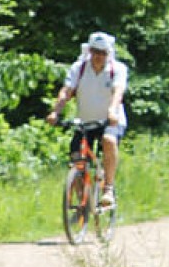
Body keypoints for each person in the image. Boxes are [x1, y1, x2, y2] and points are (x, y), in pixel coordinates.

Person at [45, 31, 129, 209]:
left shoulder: (118, 69)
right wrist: (55, 112)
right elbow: (67, 91)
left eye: (103, 53)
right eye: (95, 52)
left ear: (109, 53)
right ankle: (83, 203)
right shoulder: (79, 68)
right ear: (89, 51)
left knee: (108, 140)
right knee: (76, 159)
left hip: (110, 120)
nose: (99, 56)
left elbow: (118, 92)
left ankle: (108, 188)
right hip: (85, 121)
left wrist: (112, 112)